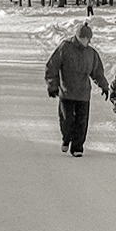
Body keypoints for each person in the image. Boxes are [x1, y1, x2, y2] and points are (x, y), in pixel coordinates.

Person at [45, 22, 109, 157]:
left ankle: (77, 147)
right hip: (67, 92)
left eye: (89, 39)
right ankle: (66, 138)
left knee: (81, 122)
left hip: (83, 93)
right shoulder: (65, 47)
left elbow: (97, 72)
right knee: (67, 120)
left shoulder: (91, 53)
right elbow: (52, 66)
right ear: (79, 37)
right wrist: (52, 85)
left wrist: (104, 85)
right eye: (85, 38)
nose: (87, 41)